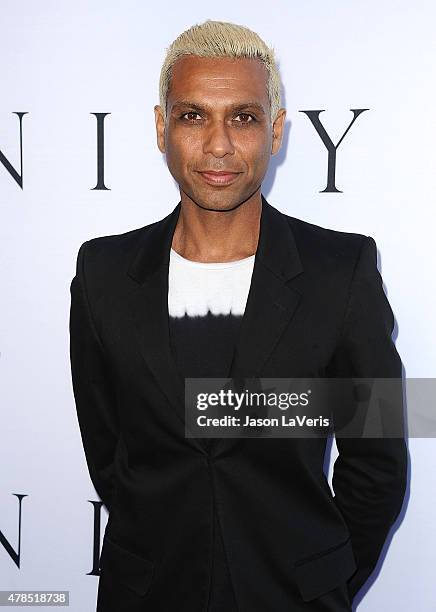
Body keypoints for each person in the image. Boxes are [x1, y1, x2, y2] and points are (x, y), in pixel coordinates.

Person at [69, 19, 408, 612]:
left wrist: (322, 585)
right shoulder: (103, 273)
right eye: (194, 116)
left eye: (244, 117)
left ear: (275, 131)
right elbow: (108, 451)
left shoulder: (342, 270)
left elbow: (377, 462)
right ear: (161, 128)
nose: (219, 145)